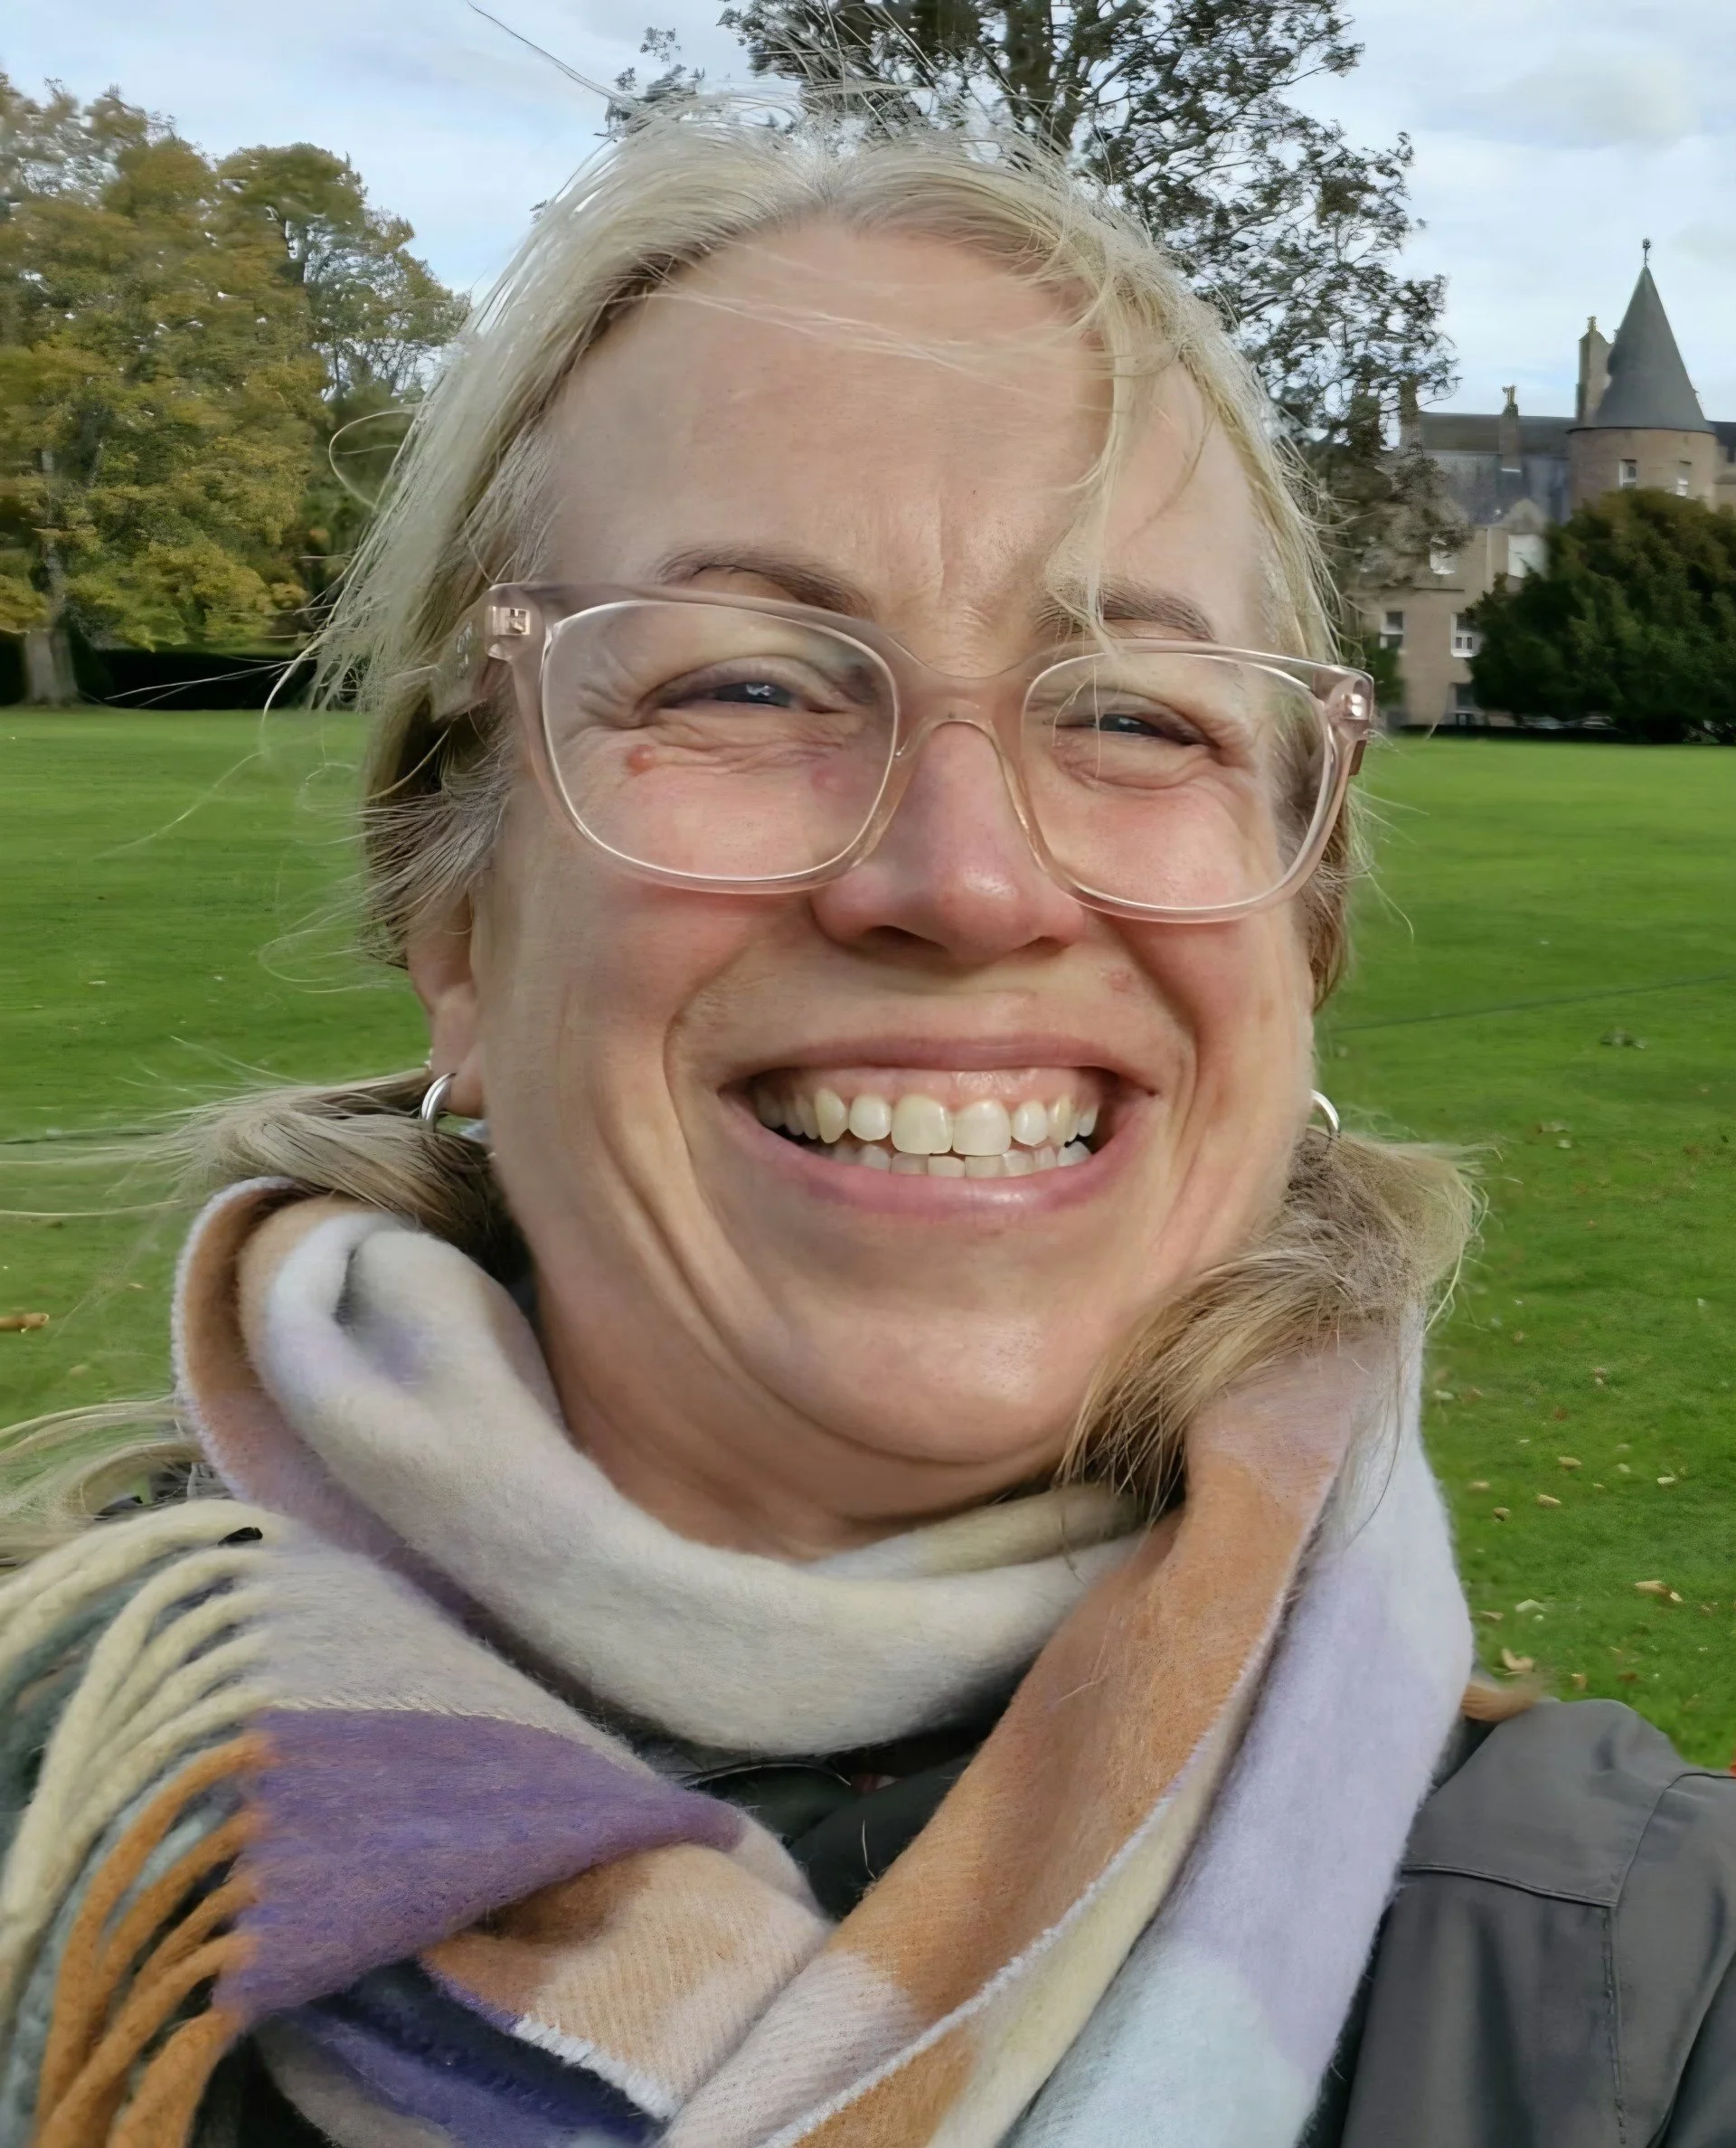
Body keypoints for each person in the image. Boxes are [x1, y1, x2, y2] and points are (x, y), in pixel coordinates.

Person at [2, 110, 1732, 2148]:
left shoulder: (1643, 1983)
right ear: (450, 900)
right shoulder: (66, 1810)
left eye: (1133, 710)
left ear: (1304, 911)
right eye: (744, 685)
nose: (968, 878)